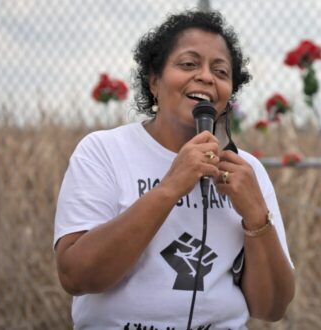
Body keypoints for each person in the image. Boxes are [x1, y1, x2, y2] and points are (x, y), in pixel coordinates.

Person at [53, 10, 295, 329]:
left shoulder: (246, 171)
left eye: (220, 71)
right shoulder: (104, 151)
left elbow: (272, 307)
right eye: (188, 64)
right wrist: (170, 188)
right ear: (154, 80)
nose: (206, 77)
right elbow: (76, 275)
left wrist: (255, 214)